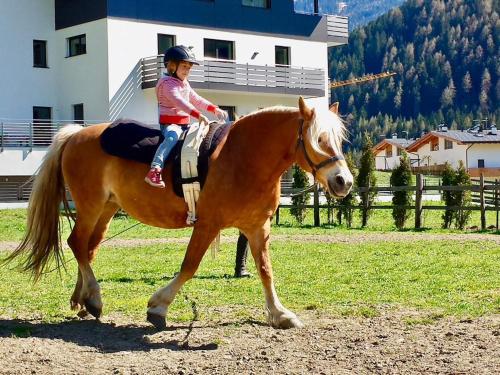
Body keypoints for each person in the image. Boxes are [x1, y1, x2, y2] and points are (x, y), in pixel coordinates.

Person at [145, 45, 227, 188]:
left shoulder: (183, 83)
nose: (187, 70)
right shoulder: (166, 85)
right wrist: (198, 115)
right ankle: (155, 169)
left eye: (189, 68)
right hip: (171, 125)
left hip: (185, 124)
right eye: (184, 66)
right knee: (172, 137)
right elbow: (181, 103)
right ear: (171, 66)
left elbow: (196, 99)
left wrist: (213, 108)